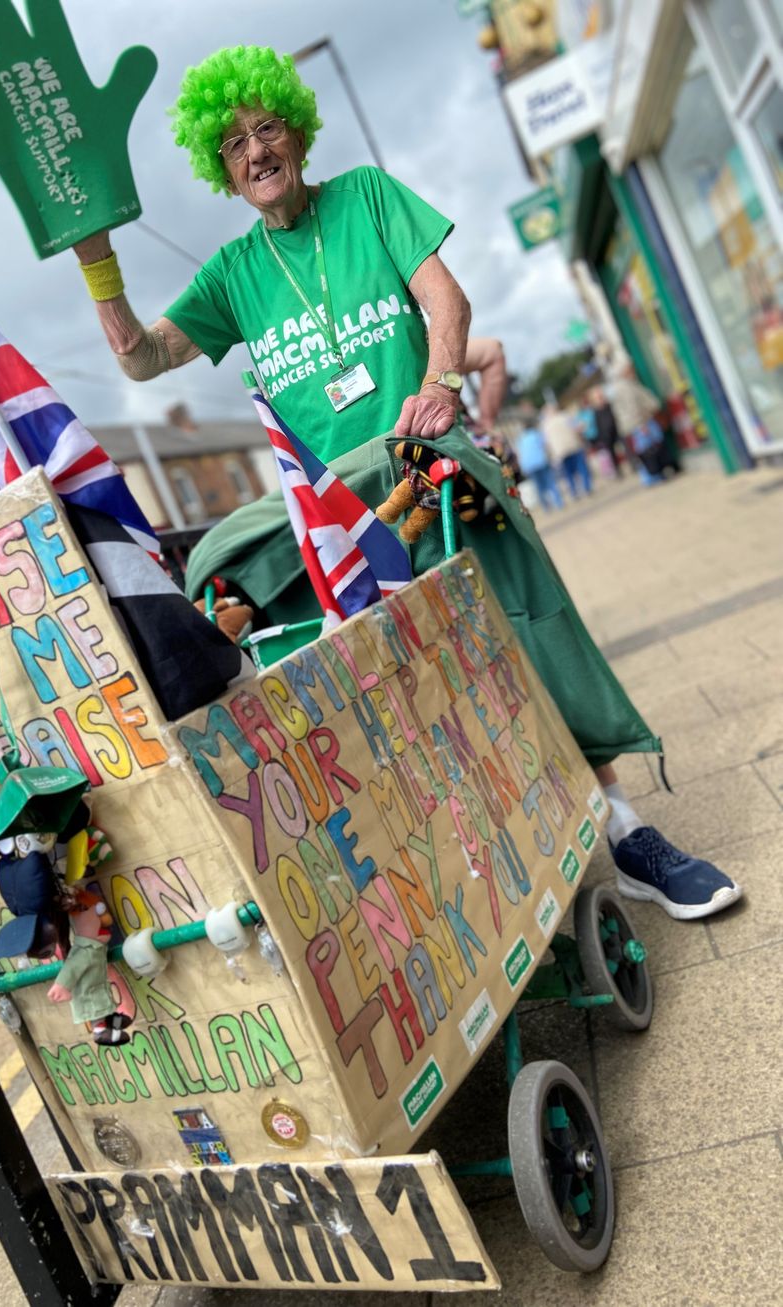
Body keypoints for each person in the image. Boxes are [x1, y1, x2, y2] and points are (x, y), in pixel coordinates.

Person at [73, 45, 741, 921]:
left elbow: (446, 302)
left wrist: (439, 388)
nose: (256, 152)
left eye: (266, 128)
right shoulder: (233, 275)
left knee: (521, 626)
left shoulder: (369, 199)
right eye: (233, 145)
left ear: (296, 131)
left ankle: (624, 825)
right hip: (343, 525)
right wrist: (97, 261)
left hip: (428, 471)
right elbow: (143, 356)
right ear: (220, 168)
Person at [515, 409, 562, 511]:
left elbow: (519, 453)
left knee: (539, 487)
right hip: (541, 462)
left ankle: (546, 507)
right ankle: (559, 503)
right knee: (550, 482)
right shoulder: (536, 434)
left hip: (529, 465)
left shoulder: (520, 439)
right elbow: (545, 445)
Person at [543, 403, 591, 500]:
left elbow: (546, 442)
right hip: (573, 445)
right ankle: (587, 488)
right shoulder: (565, 417)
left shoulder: (546, 425)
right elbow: (579, 427)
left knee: (568, 473)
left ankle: (574, 492)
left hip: (561, 451)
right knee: (582, 468)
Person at [591, 386, 624, 477]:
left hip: (616, 430)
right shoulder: (596, 411)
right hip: (606, 435)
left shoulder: (609, 405)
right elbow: (597, 424)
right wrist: (601, 437)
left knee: (624, 447)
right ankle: (617, 470)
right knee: (612, 453)